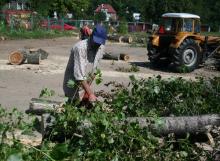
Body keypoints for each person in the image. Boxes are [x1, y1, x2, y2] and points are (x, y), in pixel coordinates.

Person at [63, 24, 107, 103]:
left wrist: (88, 90)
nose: (97, 44)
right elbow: (79, 75)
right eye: (96, 42)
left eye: (99, 43)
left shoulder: (101, 47)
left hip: (86, 83)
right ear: (91, 36)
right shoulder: (80, 48)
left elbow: (95, 69)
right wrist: (90, 93)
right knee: (72, 105)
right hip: (73, 83)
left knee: (85, 105)